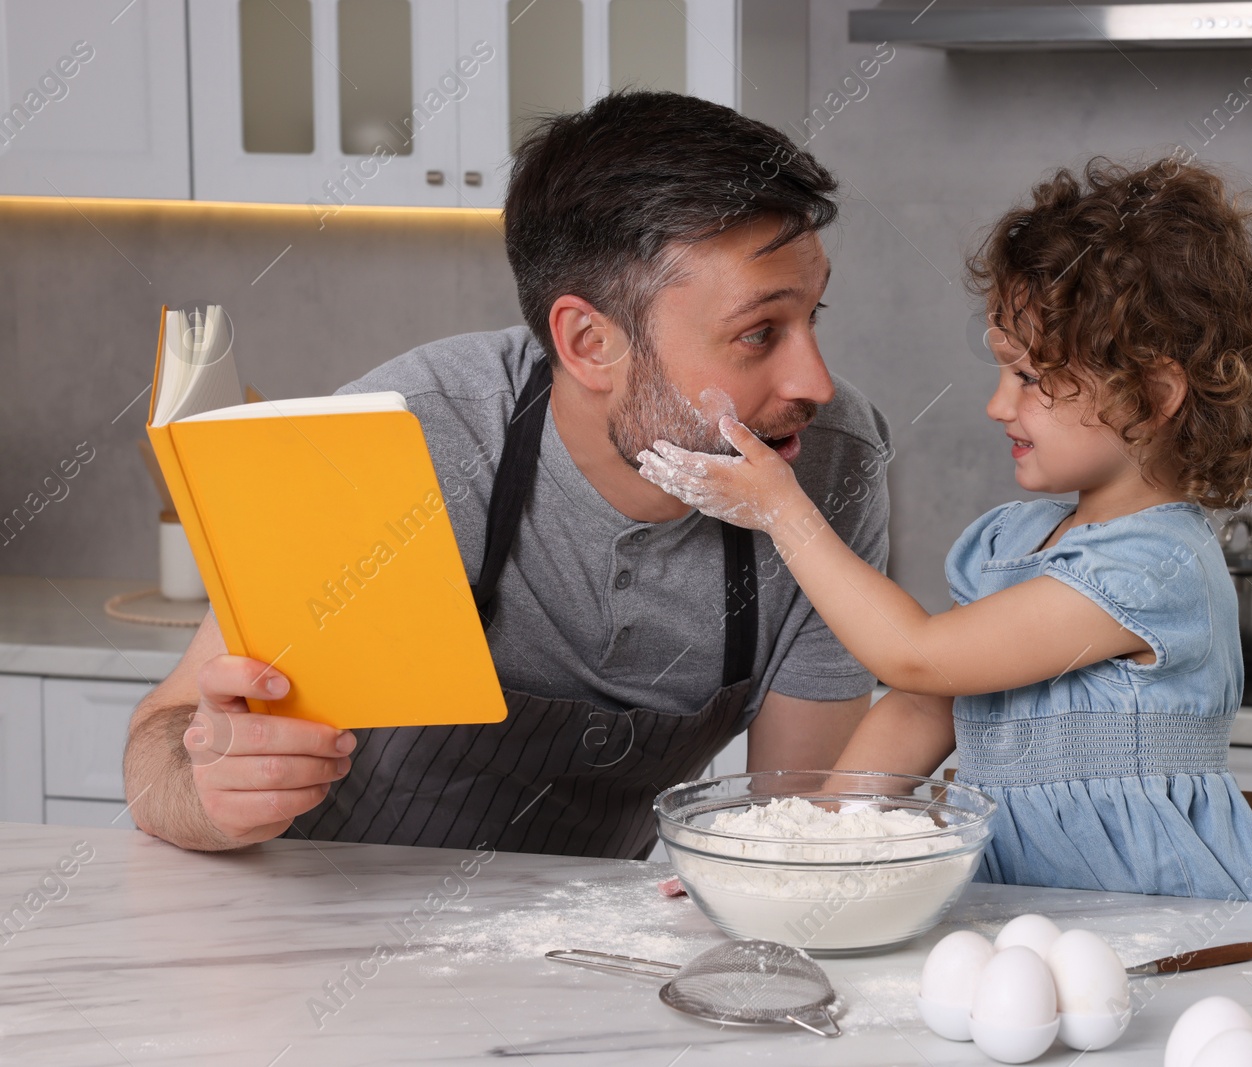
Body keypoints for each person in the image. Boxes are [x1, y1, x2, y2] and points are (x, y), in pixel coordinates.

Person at [122, 91, 892, 858]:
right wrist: (208, 789)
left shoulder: (830, 464)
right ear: (590, 342)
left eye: (812, 316)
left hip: (569, 946)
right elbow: (160, 747)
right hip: (314, 916)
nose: (814, 384)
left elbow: (796, 826)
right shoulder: (415, 435)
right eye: (759, 333)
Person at [639, 156, 1252, 901]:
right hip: (1026, 909)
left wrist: (783, 509)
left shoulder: (1155, 567)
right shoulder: (1015, 542)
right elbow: (925, 703)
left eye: (1028, 378)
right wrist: (804, 846)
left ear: (1153, 394)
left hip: (1163, 914)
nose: (999, 404)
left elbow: (917, 659)